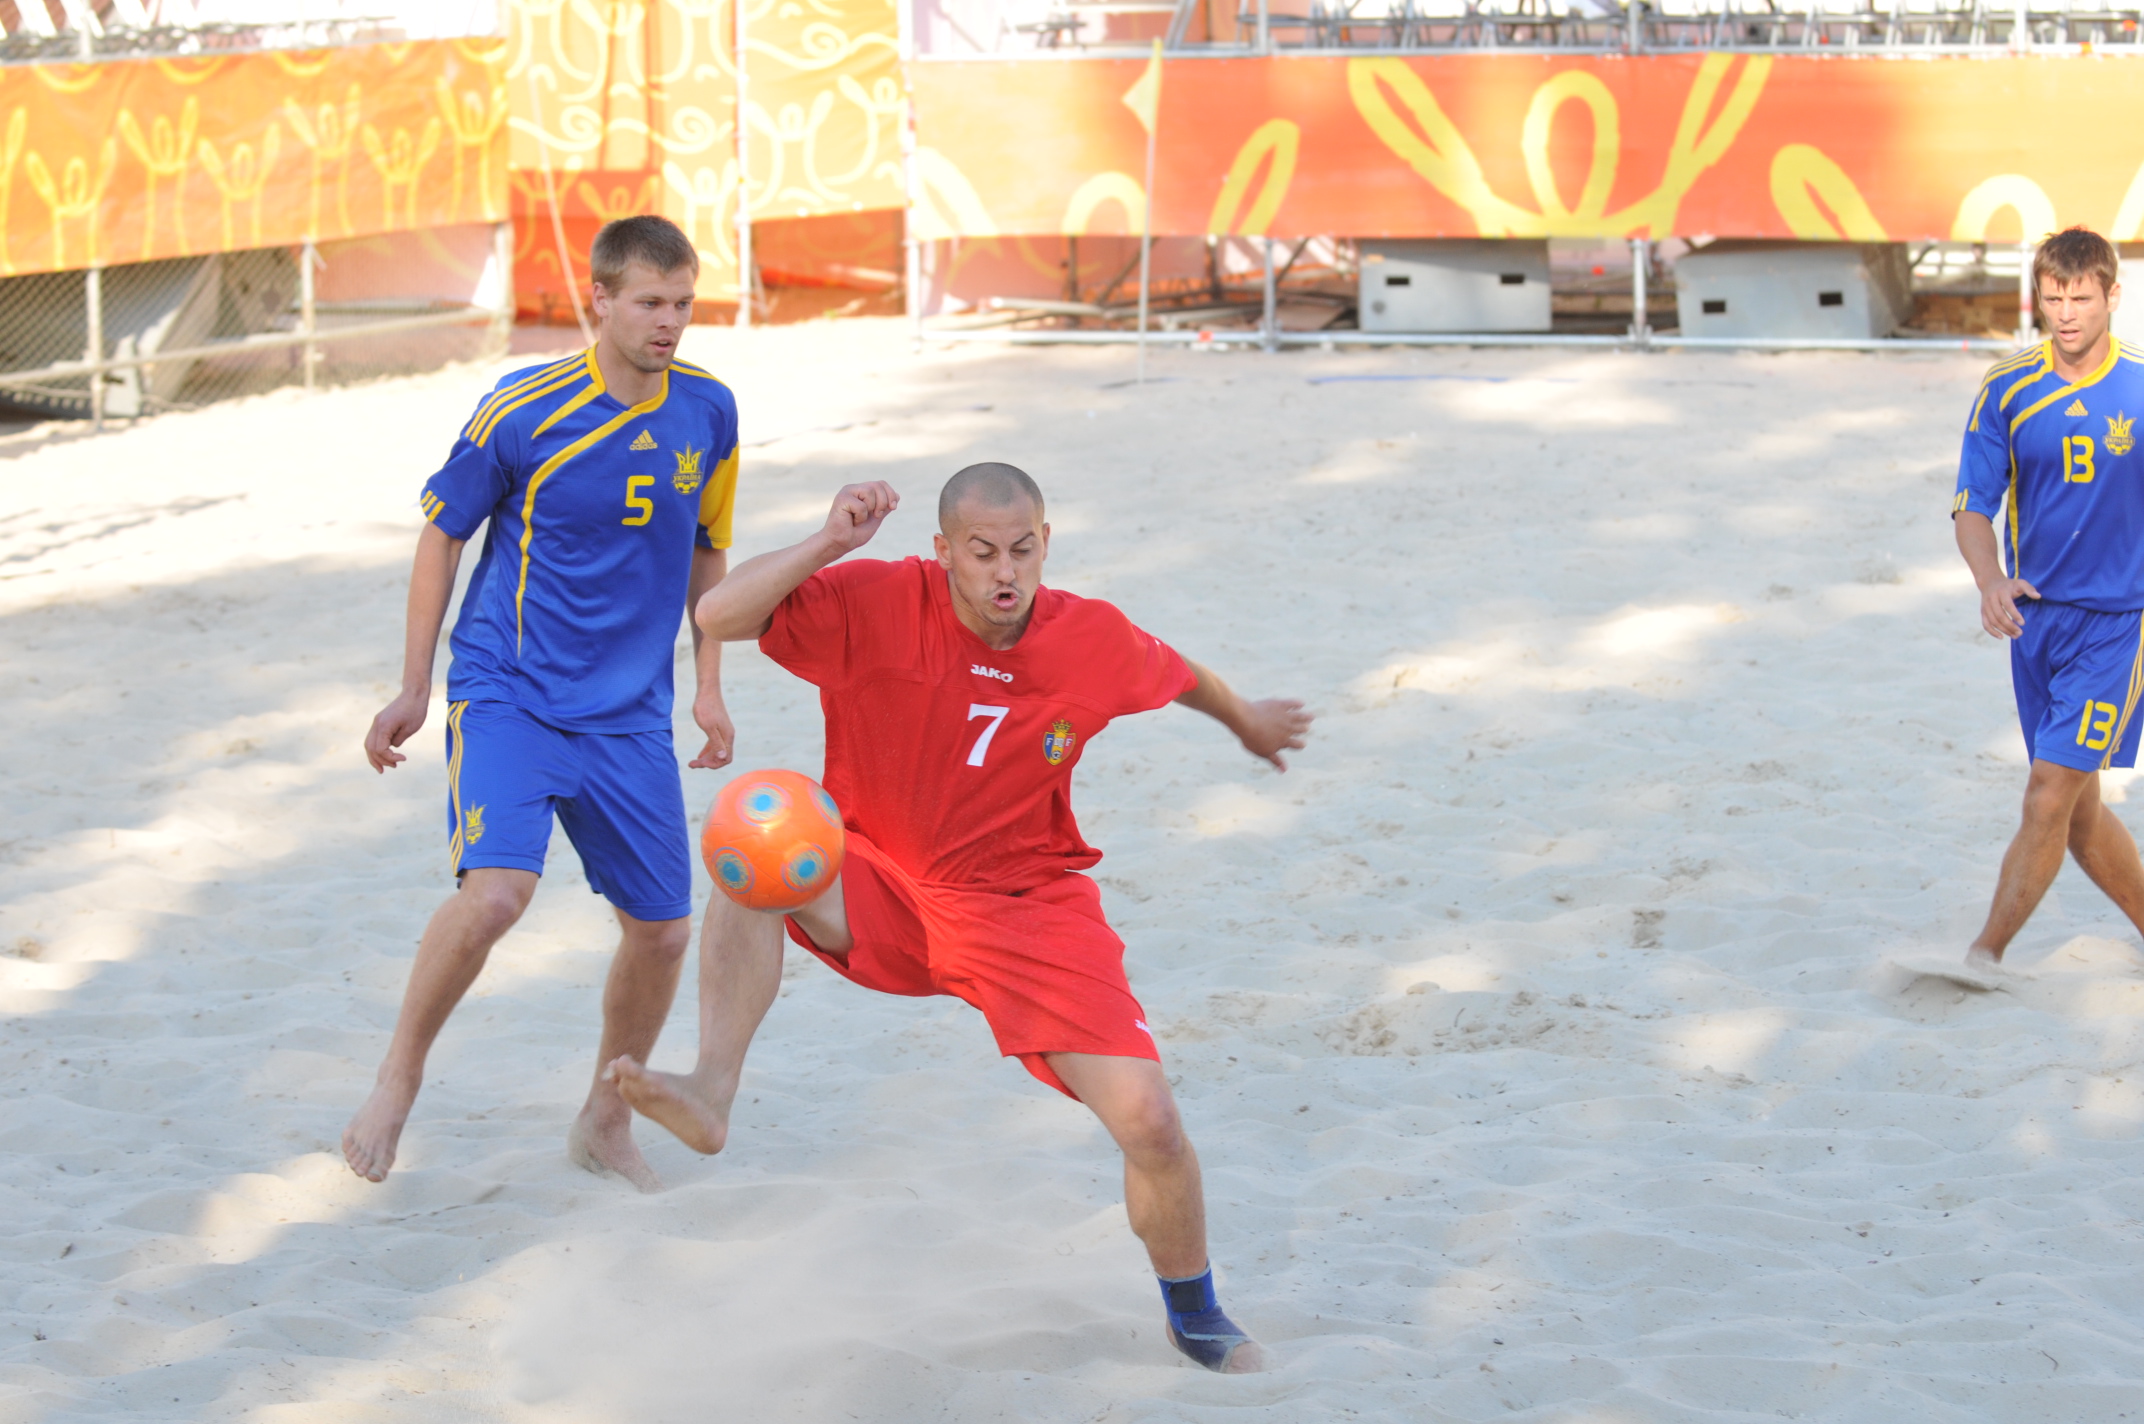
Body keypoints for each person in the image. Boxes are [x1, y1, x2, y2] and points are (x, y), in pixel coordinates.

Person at [607, 464, 1311, 1371]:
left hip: (1026, 908)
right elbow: (718, 614)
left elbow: (1179, 676)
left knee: (1151, 1123)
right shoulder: (877, 599)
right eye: (982, 552)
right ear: (943, 551)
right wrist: (830, 542)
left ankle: (1197, 1315)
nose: (1005, 571)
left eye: (1022, 550)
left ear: (1045, 543)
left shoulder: (1090, 637)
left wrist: (1246, 719)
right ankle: (711, 1089)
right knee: (759, 822)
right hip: (882, 883)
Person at [343, 215, 741, 1189]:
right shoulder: (522, 409)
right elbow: (441, 534)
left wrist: (709, 684)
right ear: (598, 299)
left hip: (629, 713)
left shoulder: (709, 410)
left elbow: (708, 548)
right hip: (510, 691)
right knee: (496, 895)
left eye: (683, 303)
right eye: (649, 302)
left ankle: (605, 1122)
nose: (669, 321)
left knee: (664, 930)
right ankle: (398, 1077)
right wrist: (414, 684)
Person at [1953, 225, 2144, 970]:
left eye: (2082, 300)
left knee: (2046, 793)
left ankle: (1982, 957)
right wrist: (1990, 580)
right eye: (2053, 299)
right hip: (2036, 625)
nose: (2066, 315)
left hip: (2120, 625)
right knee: (2078, 814)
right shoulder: (2006, 388)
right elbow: (1973, 505)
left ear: (2112, 297)